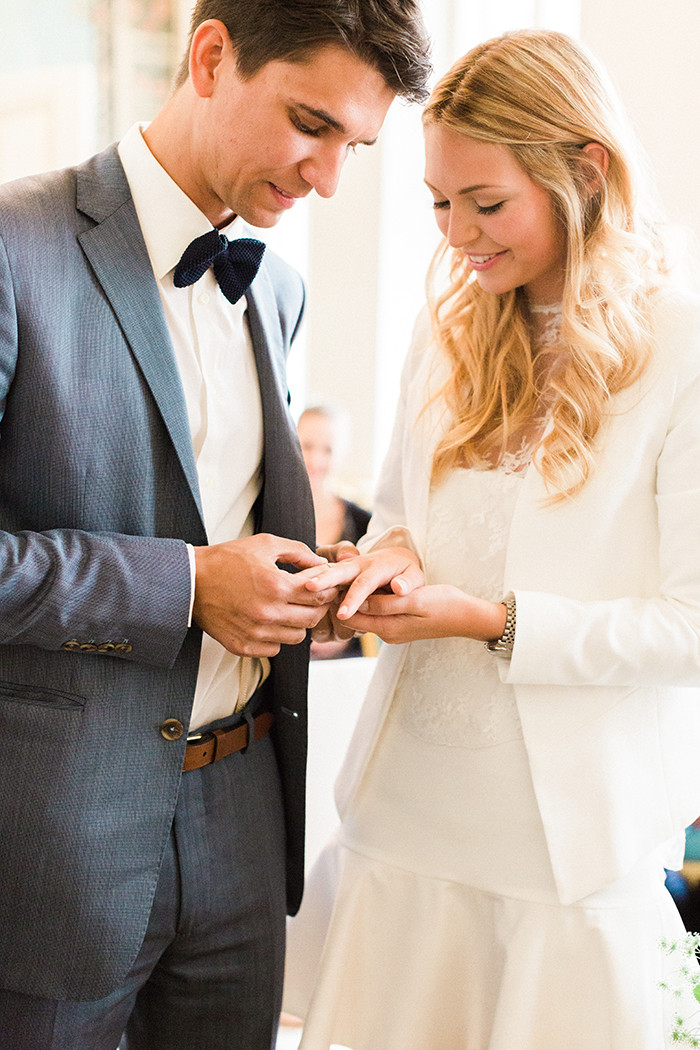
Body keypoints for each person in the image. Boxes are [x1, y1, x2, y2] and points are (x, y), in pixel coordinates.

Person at [0, 2, 431, 1048]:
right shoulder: (16, 245)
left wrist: (314, 580)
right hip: (60, 837)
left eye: (355, 148)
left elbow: (216, 511)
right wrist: (190, 588)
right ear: (210, 56)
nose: (327, 178)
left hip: (246, 813)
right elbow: (192, 563)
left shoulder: (275, 290)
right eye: (310, 124)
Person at [283, 28, 700, 1049]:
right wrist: (386, 563)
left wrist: (491, 622)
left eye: (485, 203)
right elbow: (397, 520)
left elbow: (688, 626)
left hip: (563, 851)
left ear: (584, 170)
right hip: (404, 821)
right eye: (436, 200)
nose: (457, 236)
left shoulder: (678, 344)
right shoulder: (449, 327)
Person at [297, 406, 371, 658]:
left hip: (343, 665)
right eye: (306, 446)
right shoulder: (267, 516)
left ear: (342, 454)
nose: (315, 460)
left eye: (327, 450)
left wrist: (344, 635)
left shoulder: (365, 523)